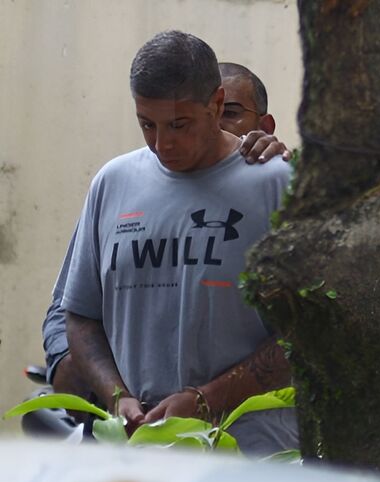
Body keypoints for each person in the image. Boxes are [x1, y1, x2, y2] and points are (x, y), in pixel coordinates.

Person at [60, 31, 297, 456]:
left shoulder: (277, 184)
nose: (161, 143)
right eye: (147, 124)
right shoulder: (112, 184)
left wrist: (207, 400)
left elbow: (306, 335)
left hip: (252, 462)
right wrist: (118, 399)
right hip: (141, 462)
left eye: (179, 125)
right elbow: (80, 317)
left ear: (217, 104)